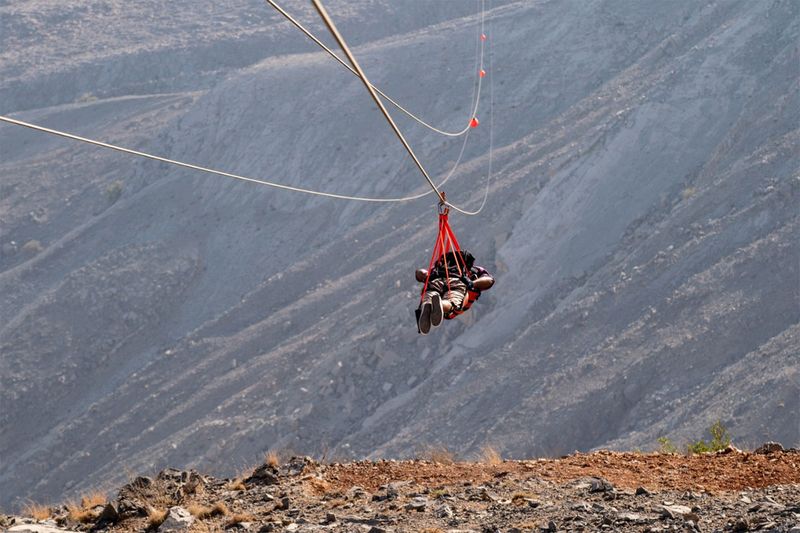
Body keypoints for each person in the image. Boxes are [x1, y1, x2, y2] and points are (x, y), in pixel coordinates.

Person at [415, 250, 495, 334]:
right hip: (457, 283)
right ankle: (441, 305)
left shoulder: (439, 268)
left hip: (436, 282)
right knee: (452, 302)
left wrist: (427, 276)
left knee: (429, 295)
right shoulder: (473, 270)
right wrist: (472, 283)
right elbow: (490, 280)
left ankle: (427, 305)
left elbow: (419, 273)